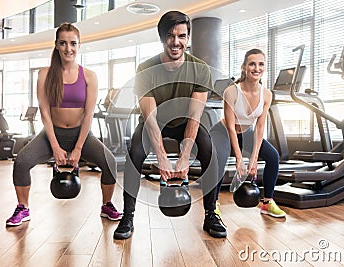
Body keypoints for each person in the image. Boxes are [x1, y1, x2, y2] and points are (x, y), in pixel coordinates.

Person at [113, 11, 226, 239]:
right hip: (154, 123)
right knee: (134, 153)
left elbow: (195, 116)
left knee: (208, 150)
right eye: (170, 36)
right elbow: (151, 118)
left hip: (185, 123)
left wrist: (184, 157)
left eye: (182, 36)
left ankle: (211, 213)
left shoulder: (200, 68)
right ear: (162, 37)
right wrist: (162, 157)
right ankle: (128, 216)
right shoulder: (146, 68)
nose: (176, 42)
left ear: (188, 38)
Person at [6, 23, 122, 227]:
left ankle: (107, 205)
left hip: (81, 135)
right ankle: (22, 208)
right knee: (22, 161)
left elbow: (88, 114)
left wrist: (78, 148)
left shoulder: (89, 76)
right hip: (52, 134)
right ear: (57, 46)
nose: (68, 48)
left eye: (73, 43)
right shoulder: (44, 74)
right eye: (63, 43)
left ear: (79, 45)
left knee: (109, 162)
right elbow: (44, 112)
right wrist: (55, 146)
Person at [210, 48, 286, 218]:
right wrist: (239, 159)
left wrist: (253, 160)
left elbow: (259, 128)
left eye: (260, 64)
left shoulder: (266, 94)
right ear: (244, 67)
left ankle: (267, 202)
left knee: (273, 156)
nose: (256, 68)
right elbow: (230, 127)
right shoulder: (231, 91)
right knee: (220, 159)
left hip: (247, 133)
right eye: (252, 64)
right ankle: (212, 204)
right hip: (223, 131)